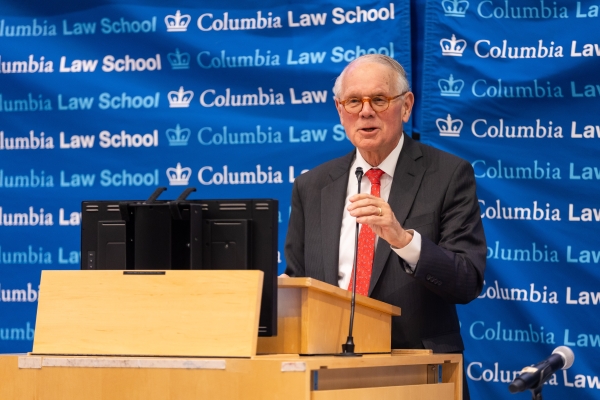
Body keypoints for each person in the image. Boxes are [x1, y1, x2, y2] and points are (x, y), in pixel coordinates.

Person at [282, 54, 486, 400]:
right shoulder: (312, 186)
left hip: (418, 374)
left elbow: (466, 281)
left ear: (405, 106)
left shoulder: (448, 176)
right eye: (353, 101)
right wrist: (281, 294)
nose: (365, 112)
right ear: (339, 110)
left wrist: (403, 240)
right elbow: (300, 281)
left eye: (378, 99)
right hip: (330, 375)